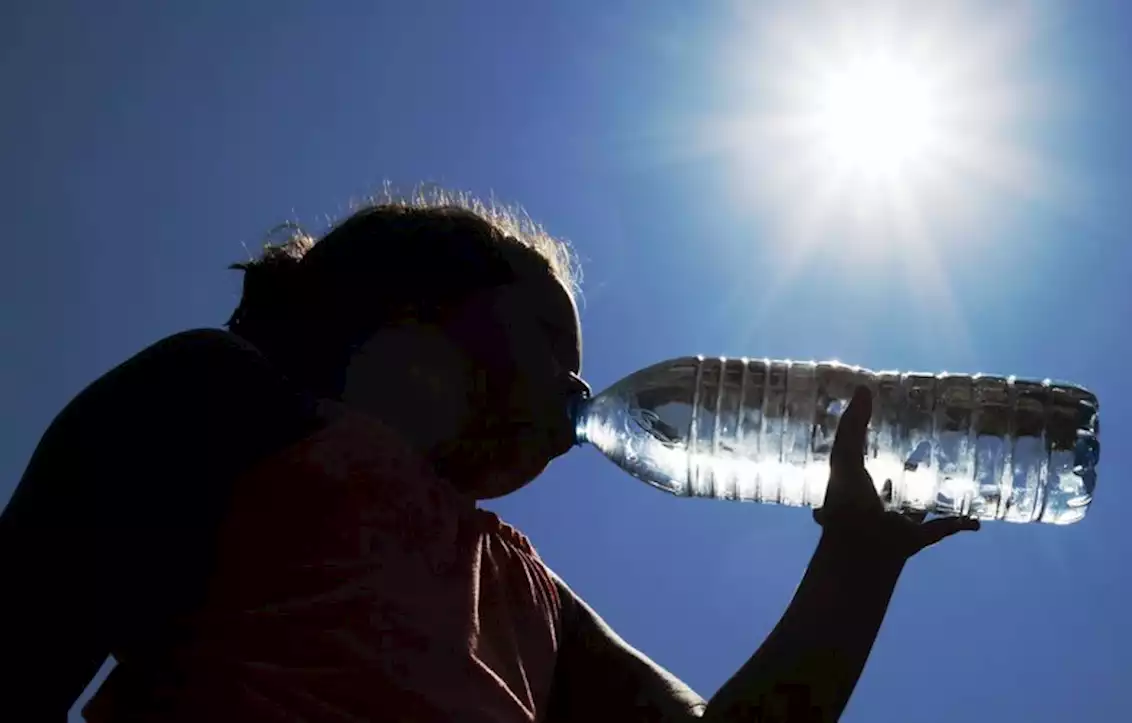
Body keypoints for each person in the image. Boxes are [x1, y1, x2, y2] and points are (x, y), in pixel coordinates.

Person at [0, 191, 979, 723]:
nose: (580, 392)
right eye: (554, 346)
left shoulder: (520, 591)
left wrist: (853, 565)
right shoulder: (225, 398)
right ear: (414, 318)